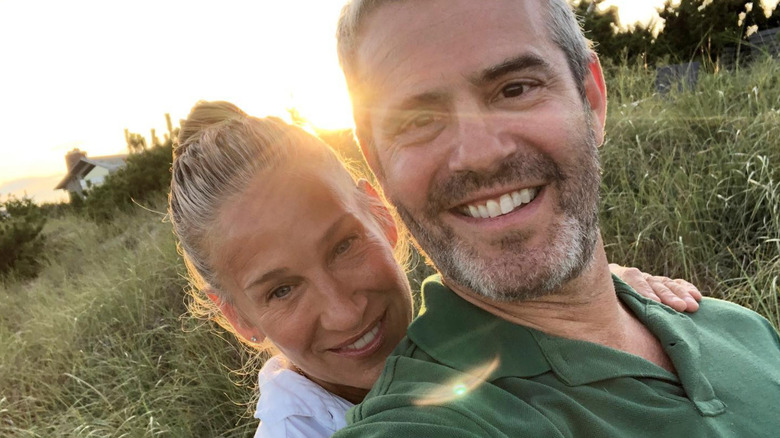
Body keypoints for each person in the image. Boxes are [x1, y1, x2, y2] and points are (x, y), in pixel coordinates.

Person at [331, 0, 780, 436]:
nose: (482, 155)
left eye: (515, 88)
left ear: (592, 98)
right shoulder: (423, 420)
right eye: (417, 120)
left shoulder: (745, 329)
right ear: (377, 165)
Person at [168, 101, 703, 437]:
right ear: (239, 318)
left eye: (344, 246)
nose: (344, 310)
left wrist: (600, 305)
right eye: (283, 289)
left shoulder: (464, 320)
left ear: (383, 216)